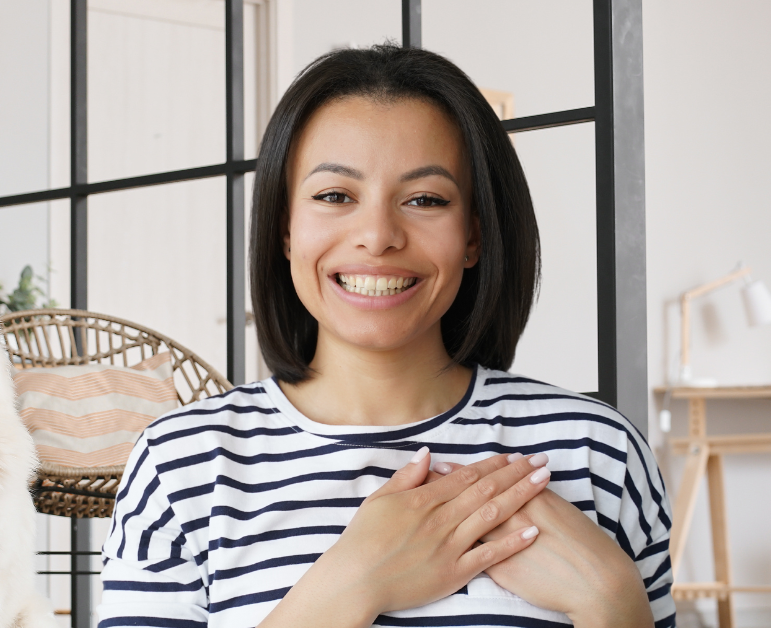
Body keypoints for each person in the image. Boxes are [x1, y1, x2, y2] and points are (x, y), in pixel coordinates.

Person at [98, 45, 673, 628]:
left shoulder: (597, 452)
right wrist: (353, 582)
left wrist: (612, 600)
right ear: (285, 231)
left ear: (474, 235)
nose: (377, 236)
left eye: (425, 199)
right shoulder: (183, 466)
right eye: (334, 196)